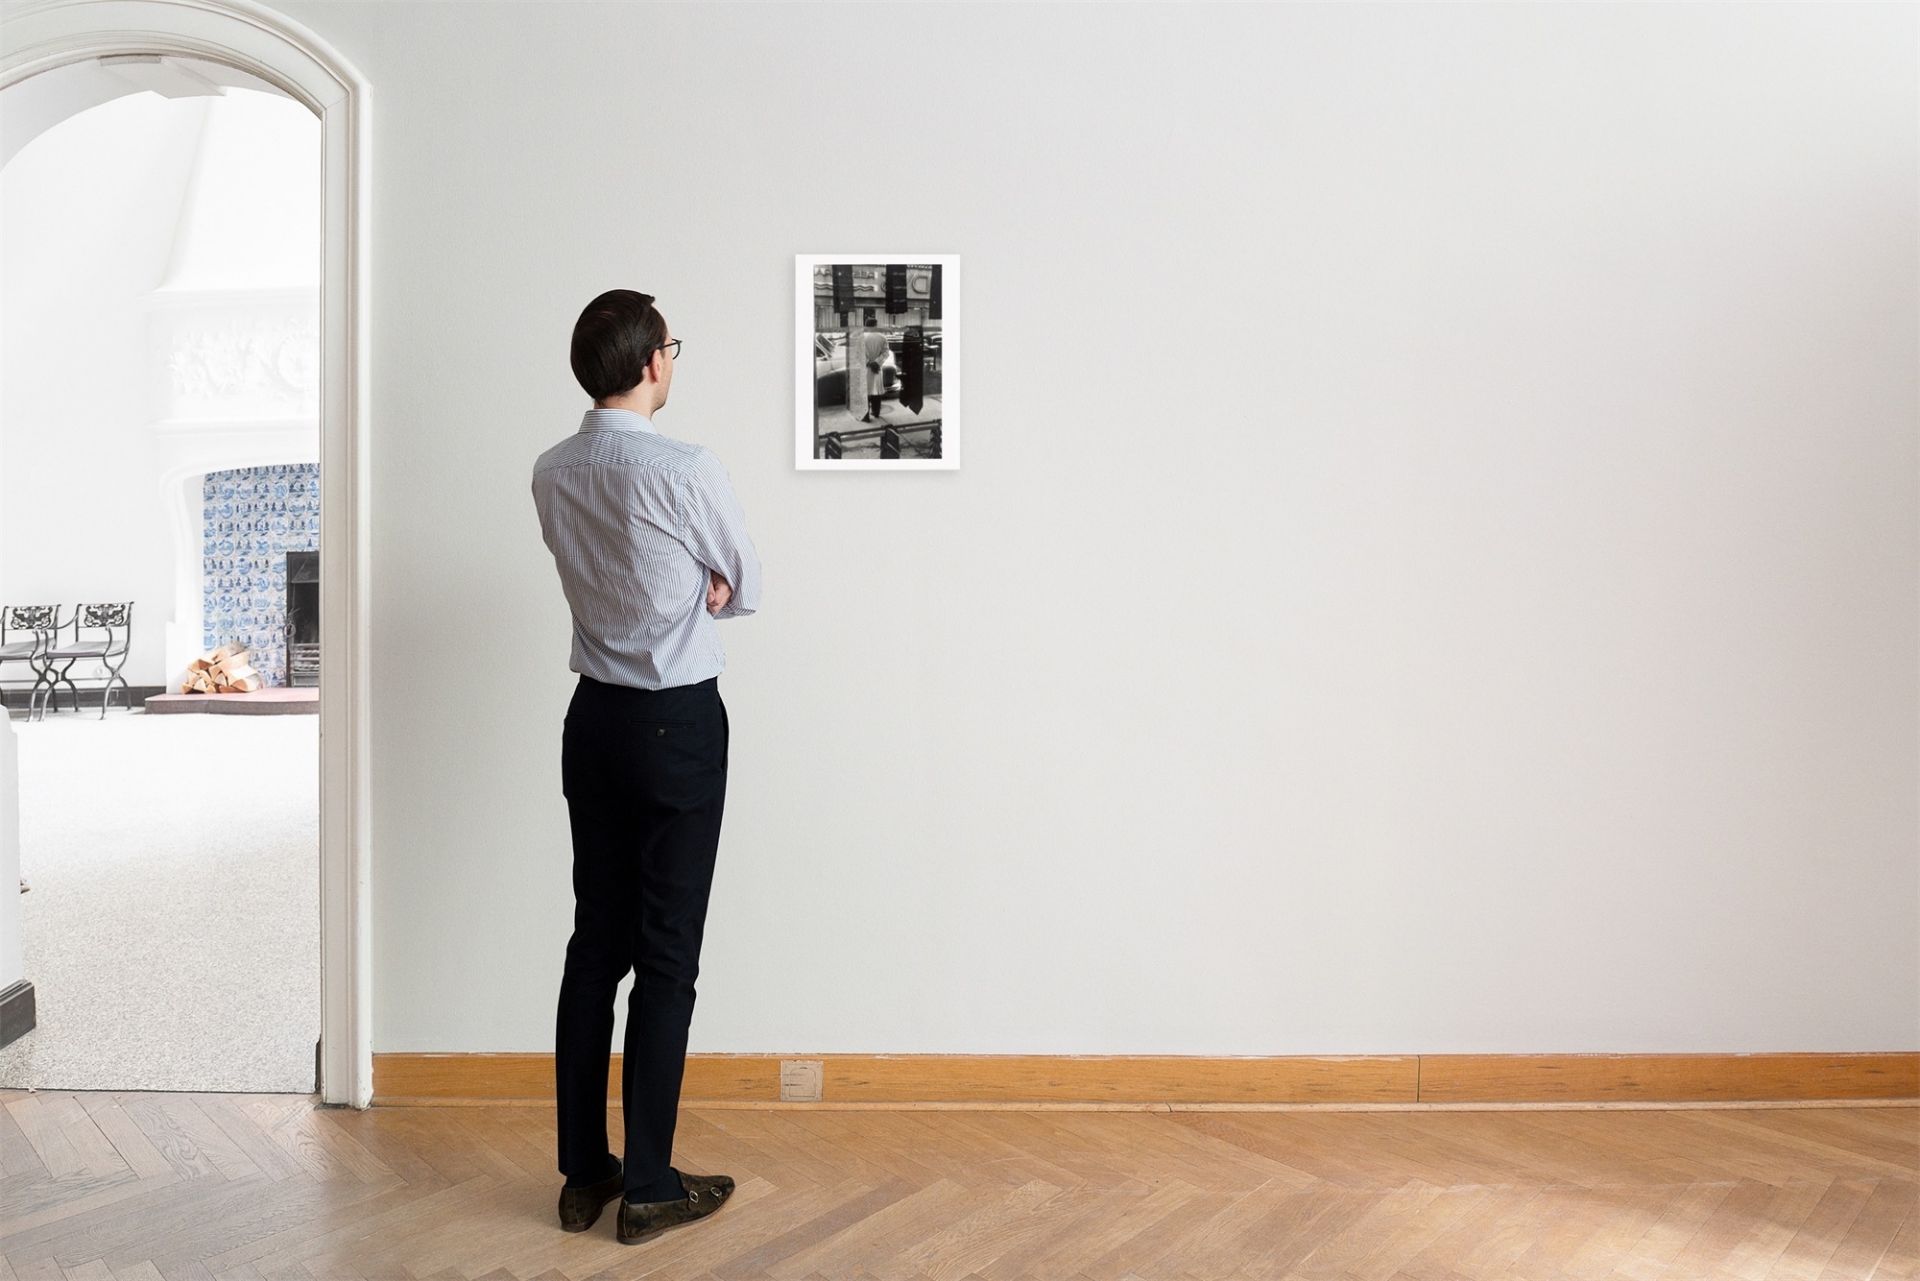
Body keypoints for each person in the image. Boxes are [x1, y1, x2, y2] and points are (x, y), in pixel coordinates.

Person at [530, 288, 762, 1244]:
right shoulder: (686, 467)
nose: (674, 358)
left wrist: (693, 582)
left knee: (596, 948)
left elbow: (605, 572)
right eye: (673, 345)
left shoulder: (551, 471)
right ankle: (653, 1184)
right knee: (667, 955)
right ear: (652, 363)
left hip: (594, 722)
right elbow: (746, 580)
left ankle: (586, 1173)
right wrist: (708, 585)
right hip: (675, 725)